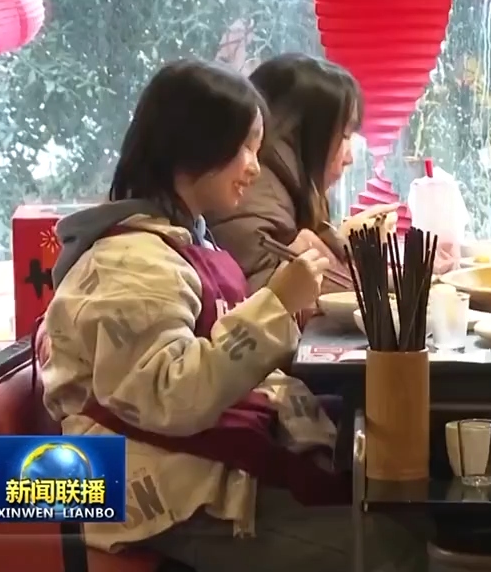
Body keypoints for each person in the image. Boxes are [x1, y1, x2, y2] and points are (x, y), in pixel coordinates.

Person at [36, 60, 418, 571]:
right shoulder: (129, 263)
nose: (255, 169)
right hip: (141, 489)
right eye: (244, 149)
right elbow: (173, 399)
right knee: (392, 550)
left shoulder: (180, 238)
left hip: (180, 462)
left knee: (382, 486)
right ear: (193, 149)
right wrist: (277, 303)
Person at [208, 53, 397, 293]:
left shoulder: (283, 185)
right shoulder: (251, 192)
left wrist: (347, 243)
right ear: (306, 134)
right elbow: (274, 300)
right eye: (345, 135)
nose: (349, 158)